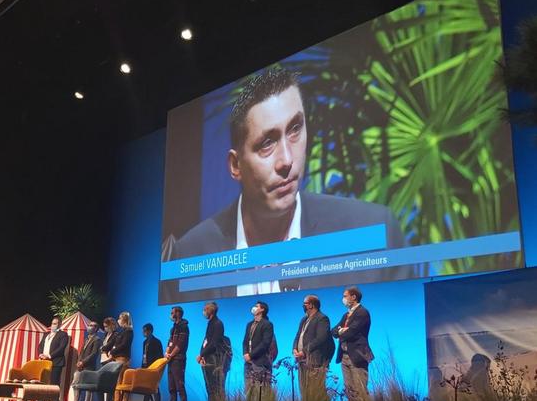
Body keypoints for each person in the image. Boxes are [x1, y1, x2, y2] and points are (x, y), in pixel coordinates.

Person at [163, 68, 410, 302]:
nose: (287, 160)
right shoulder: (190, 254)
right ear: (236, 165)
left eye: (295, 129)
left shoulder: (374, 232)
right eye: (266, 143)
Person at [331, 286, 374, 401]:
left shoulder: (362, 312)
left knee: (360, 392)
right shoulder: (346, 315)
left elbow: (352, 332)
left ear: (353, 297)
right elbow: (333, 331)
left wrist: (343, 331)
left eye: (345, 296)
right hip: (344, 357)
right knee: (350, 393)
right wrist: (341, 330)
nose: (343, 299)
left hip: (357, 356)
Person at [292, 295, 334, 401]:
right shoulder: (304, 319)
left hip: (315, 361)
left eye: (304, 304)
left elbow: (321, 338)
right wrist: (295, 349)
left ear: (311, 305)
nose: (303, 306)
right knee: (304, 392)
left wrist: (304, 351)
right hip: (302, 361)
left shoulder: (322, 319)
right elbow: (298, 336)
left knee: (316, 393)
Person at [102, 311, 133, 401]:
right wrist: (108, 349)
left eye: (120, 318)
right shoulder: (121, 332)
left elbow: (124, 345)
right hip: (116, 359)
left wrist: (113, 351)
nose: (118, 320)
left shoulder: (129, 331)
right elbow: (114, 344)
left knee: (121, 385)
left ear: (124, 320)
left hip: (122, 360)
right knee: (116, 385)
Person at [196, 302, 226, 401]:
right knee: (209, 387)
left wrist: (202, 354)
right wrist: (202, 355)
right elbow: (206, 341)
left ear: (211, 310)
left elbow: (214, 343)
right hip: (207, 358)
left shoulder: (218, 323)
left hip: (214, 360)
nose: (203, 312)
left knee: (215, 387)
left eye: (205, 309)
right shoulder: (210, 323)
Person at [163, 306, 189, 401]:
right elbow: (171, 342)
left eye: (172, 312)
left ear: (178, 313)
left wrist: (171, 354)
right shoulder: (173, 328)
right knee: (171, 387)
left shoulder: (184, 327)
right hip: (171, 360)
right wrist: (167, 352)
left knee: (180, 387)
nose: (171, 314)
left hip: (178, 360)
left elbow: (180, 344)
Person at [38, 316, 69, 401]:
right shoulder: (46, 334)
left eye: (55, 324)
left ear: (60, 324)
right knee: (43, 383)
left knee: (54, 383)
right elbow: (40, 346)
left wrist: (49, 356)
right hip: (44, 362)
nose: (53, 325)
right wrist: (40, 354)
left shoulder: (63, 335)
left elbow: (61, 348)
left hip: (56, 362)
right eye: (52, 323)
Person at [242, 301, 274, 387]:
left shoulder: (267, 324)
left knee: (262, 390)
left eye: (257, 306)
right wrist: (245, 354)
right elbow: (245, 341)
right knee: (248, 389)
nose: (254, 308)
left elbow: (265, 343)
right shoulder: (249, 324)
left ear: (262, 309)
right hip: (248, 362)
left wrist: (251, 355)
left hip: (260, 362)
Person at [73, 321, 102, 401]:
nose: (89, 327)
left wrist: (83, 362)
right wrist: (78, 361)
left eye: (92, 326)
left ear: (96, 329)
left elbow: (94, 354)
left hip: (89, 366)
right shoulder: (86, 339)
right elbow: (82, 352)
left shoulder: (97, 339)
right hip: (80, 366)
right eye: (89, 325)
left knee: (88, 386)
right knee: (75, 384)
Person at [138, 323, 163, 401]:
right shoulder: (145, 342)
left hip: (153, 369)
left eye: (145, 331)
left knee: (155, 388)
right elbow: (144, 356)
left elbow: (159, 357)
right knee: (146, 389)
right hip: (145, 367)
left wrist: (157, 368)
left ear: (150, 331)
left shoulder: (157, 342)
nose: (144, 333)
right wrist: (142, 367)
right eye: (143, 331)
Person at [95, 317, 118, 401]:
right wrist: (103, 348)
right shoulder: (105, 335)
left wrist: (103, 348)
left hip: (109, 361)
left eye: (106, 326)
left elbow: (109, 346)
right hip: (102, 360)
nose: (105, 328)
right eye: (104, 326)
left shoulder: (115, 335)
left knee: (108, 386)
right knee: (99, 385)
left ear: (111, 325)